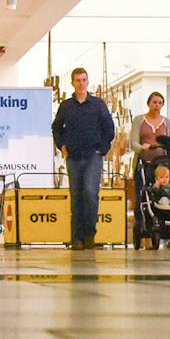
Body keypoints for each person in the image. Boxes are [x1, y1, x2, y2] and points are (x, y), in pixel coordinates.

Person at [51, 67, 116, 249]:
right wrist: (61, 145)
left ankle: (89, 235)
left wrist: (102, 149)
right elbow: (56, 127)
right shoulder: (66, 106)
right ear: (72, 83)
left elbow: (109, 128)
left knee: (90, 193)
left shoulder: (98, 104)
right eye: (78, 80)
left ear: (88, 82)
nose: (81, 83)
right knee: (77, 196)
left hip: (93, 156)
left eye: (84, 80)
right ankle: (77, 238)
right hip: (73, 157)